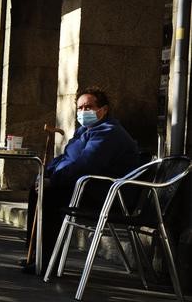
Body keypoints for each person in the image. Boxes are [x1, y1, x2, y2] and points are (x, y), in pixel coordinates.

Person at [23, 87, 140, 273]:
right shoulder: (84, 131)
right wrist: (45, 174)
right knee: (36, 189)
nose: (83, 112)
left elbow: (86, 165)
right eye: (80, 108)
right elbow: (65, 158)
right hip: (85, 187)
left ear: (103, 110)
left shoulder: (108, 133)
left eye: (89, 107)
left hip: (106, 193)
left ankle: (46, 261)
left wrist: (54, 181)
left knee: (51, 196)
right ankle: (34, 254)